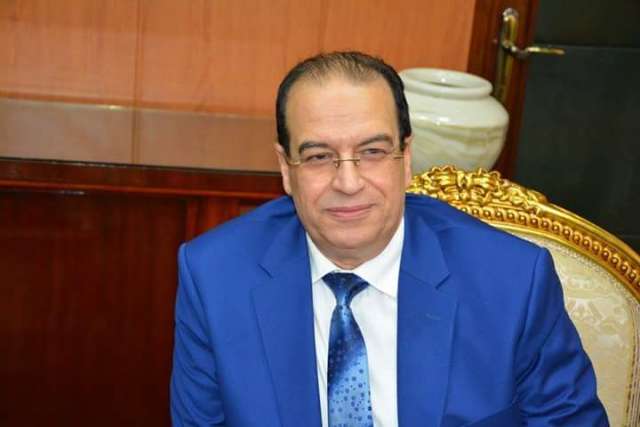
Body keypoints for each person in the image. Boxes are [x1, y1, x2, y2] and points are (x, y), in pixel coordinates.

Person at [170, 51, 608, 427]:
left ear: (406, 157)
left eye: (372, 152)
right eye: (319, 156)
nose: (348, 182)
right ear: (286, 169)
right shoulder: (215, 277)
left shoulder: (512, 280)